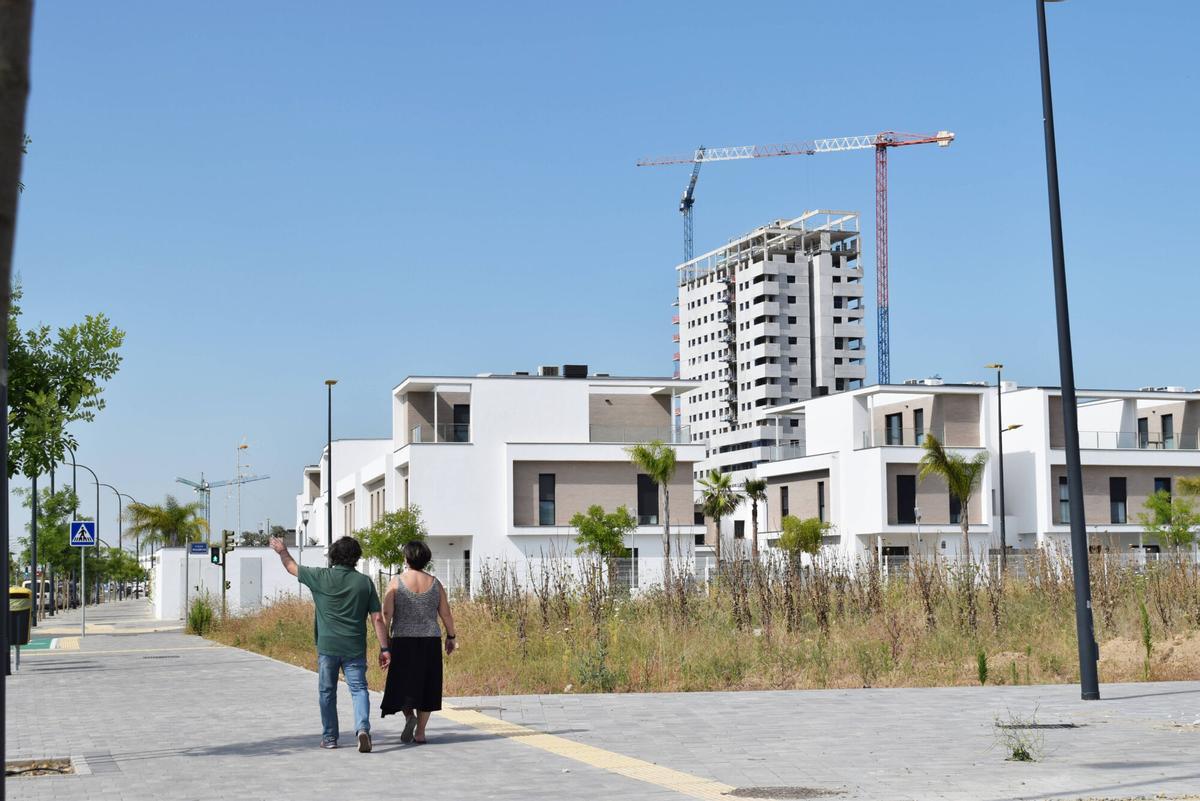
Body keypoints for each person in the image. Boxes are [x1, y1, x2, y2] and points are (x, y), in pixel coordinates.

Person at [270, 535, 391, 752]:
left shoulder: (320, 576)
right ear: (356, 557)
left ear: (334, 555)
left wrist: (282, 550)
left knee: (327, 692)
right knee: (359, 689)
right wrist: (385, 648)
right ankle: (362, 728)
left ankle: (330, 738)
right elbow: (377, 618)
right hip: (354, 647)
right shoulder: (364, 582)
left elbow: (291, 567)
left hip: (328, 647)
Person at [380, 540, 457, 744]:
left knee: (402, 682)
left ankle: (409, 717)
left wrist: (384, 641)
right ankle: (421, 732)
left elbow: (386, 613)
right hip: (430, 641)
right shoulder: (435, 583)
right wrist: (451, 636)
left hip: (403, 640)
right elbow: (446, 614)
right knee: (427, 685)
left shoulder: (396, 582)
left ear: (406, 559)